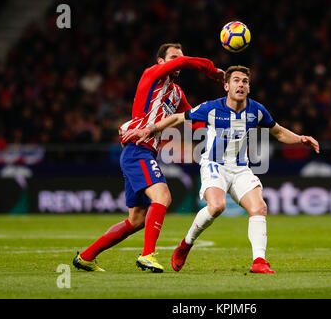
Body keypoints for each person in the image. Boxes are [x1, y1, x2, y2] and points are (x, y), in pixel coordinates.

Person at [122, 65, 319, 273]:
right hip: (214, 165)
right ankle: (186, 244)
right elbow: (179, 118)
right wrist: (151, 128)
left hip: (241, 168)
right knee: (217, 207)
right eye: (236, 80)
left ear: (249, 87)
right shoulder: (212, 108)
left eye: (245, 81)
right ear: (226, 85)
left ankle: (259, 261)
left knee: (259, 208)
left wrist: (300, 139)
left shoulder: (256, 111)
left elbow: (278, 132)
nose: (241, 84)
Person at [73, 43, 224, 272]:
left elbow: (193, 119)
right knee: (162, 196)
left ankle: (86, 256)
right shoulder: (151, 74)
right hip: (137, 148)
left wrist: (220, 124)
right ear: (161, 62)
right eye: (173, 57)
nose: (178, 62)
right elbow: (184, 62)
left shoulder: (176, 93)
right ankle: (147, 255)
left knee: (136, 221)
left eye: (179, 58)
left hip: (144, 152)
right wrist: (212, 71)